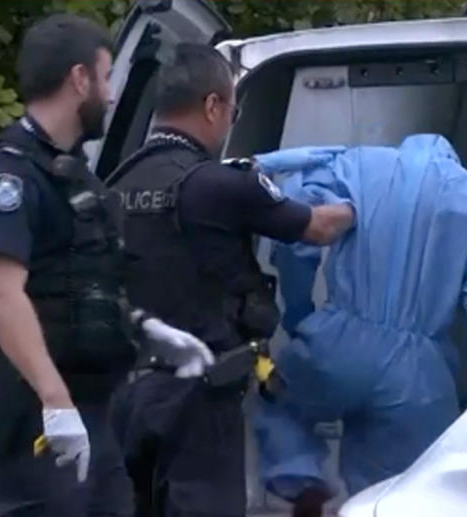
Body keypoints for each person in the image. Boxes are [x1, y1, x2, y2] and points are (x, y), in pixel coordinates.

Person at [106, 42, 355, 516]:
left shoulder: (116, 182)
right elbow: (318, 226)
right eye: (232, 112)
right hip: (197, 398)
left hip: (126, 395)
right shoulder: (218, 184)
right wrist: (368, 200)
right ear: (213, 105)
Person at [0, 15, 214, 516]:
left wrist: (144, 328)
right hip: (38, 425)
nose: (112, 96)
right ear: (79, 79)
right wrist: (55, 402)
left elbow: (81, 283)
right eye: (106, 77)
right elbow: (1, 294)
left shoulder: (74, 178)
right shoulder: (11, 175)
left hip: (91, 415)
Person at [252, 135, 467, 516]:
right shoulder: (462, 191)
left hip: (337, 342)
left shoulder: (358, 165)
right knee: (401, 488)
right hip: (418, 372)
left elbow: (297, 239)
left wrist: (300, 314)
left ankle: (302, 485)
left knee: (277, 397)